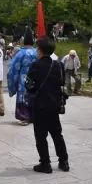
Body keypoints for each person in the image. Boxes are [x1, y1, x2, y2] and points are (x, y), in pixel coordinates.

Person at [26, 36, 69, 173]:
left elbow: (29, 86)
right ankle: (64, 161)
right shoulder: (58, 65)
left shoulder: (35, 65)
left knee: (40, 136)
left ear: (40, 50)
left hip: (40, 105)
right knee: (57, 134)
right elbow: (62, 83)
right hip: (55, 104)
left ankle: (45, 163)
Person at [7, 29, 37, 125]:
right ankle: (34, 116)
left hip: (23, 77)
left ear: (24, 41)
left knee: (23, 96)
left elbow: (13, 69)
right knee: (34, 96)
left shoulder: (21, 53)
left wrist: (12, 84)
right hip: (36, 78)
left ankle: (25, 117)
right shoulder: (37, 52)